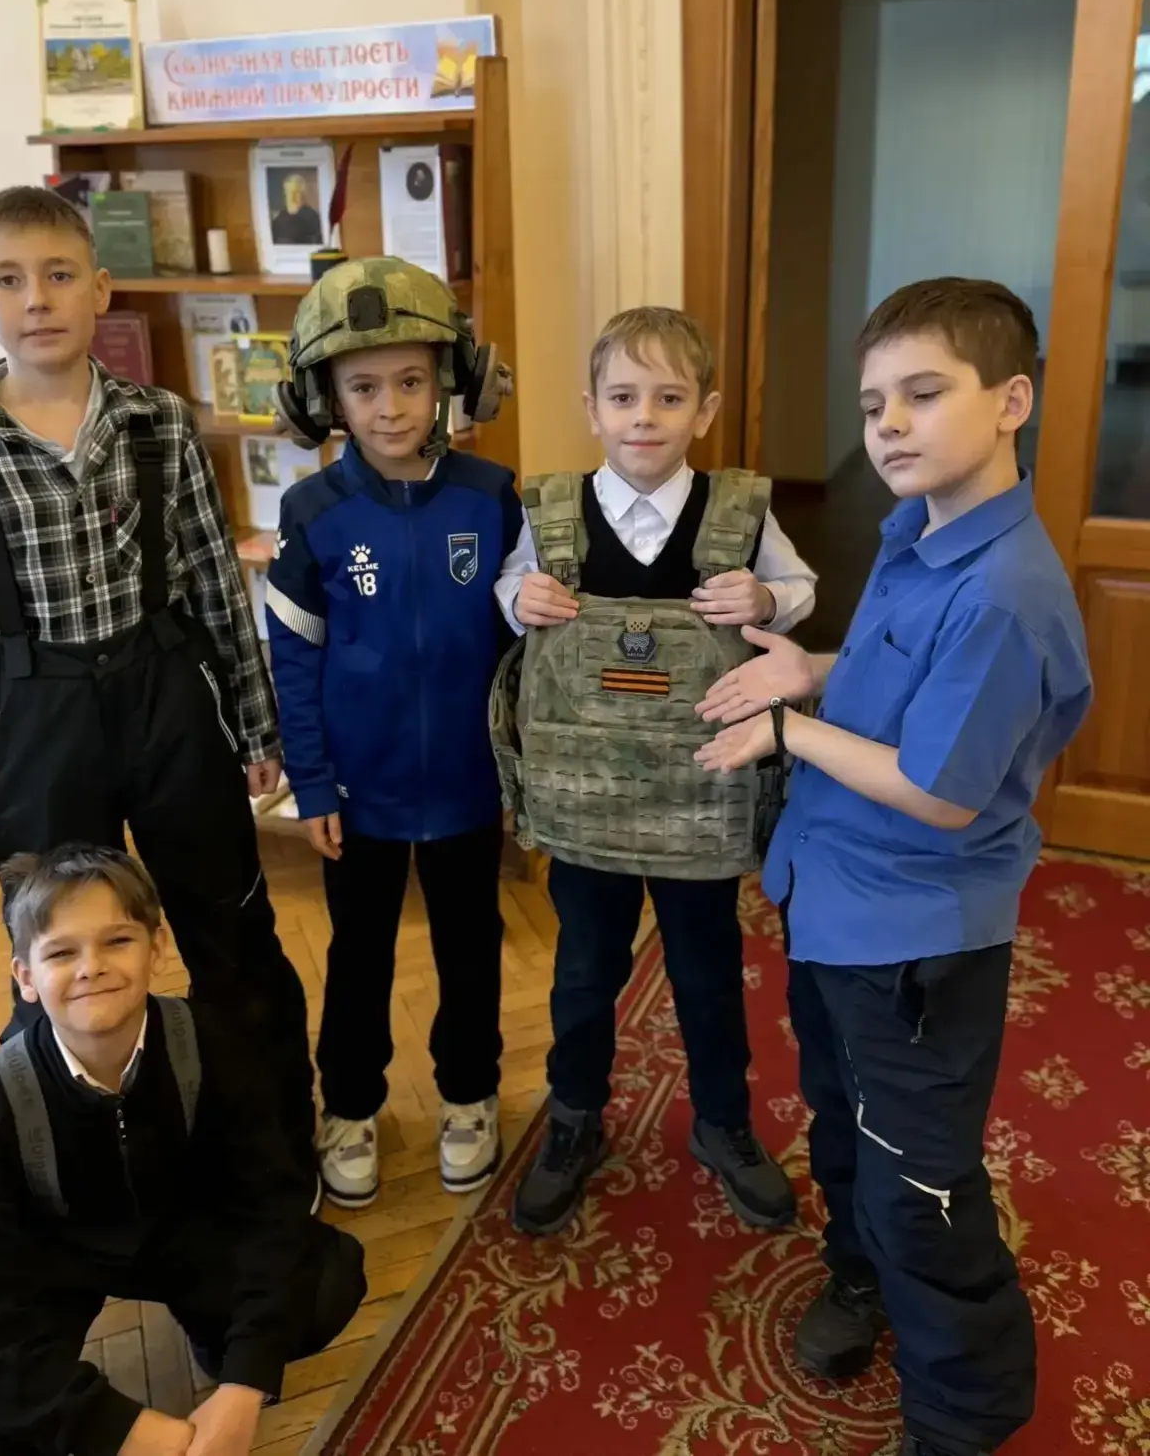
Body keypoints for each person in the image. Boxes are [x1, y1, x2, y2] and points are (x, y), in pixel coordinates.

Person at [695, 278, 1092, 1456]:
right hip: (834, 902)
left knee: (919, 1186)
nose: (889, 425)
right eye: (873, 404)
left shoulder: (1004, 591)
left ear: (1009, 401)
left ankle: (962, 1417)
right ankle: (856, 1275)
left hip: (915, 939)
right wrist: (811, 672)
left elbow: (939, 788)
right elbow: (900, 682)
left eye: (923, 394)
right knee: (839, 1124)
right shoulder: (915, 532)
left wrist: (785, 729)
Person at [0, 185, 316, 1169]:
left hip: (167, 695)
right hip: (35, 719)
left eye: (57, 275)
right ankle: (90, 1165)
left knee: (230, 931)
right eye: (9, 280)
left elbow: (214, 584)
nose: (36, 298)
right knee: (64, 950)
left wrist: (256, 726)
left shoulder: (158, 423)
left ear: (99, 290)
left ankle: (271, 1145)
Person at [493, 305, 818, 1237]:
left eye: (669, 398)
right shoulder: (551, 508)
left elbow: (800, 589)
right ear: (591, 407)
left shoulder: (739, 511)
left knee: (707, 973)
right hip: (585, 805)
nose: (644, 416)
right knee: (583, 972)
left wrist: (766, 595)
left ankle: (722, 1122)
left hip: (701, 798)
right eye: (624, 397)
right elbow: (510, 590)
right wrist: (522, 595)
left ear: (704, 411)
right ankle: (574, 1116)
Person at [0, 844, 366, 1456]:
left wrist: (246, 1379)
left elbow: (272, 1206)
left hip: (180, 1231)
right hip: (53, 1257)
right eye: (61, 953)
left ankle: (216, 1333)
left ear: (157, 947)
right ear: (25, 978)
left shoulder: (211, 1044)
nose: (91, 967)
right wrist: (131, 1432)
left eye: (117, 941)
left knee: (324, 1285)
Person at [266, 257, 518, 1209]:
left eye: (411, 380)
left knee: (471, 948)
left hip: (468, 784)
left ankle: (470, 1093)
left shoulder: (493, 496)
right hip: (358, 793)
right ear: (323, 397)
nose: (390, 406)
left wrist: (521, 773)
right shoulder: (312, 513)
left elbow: (521, 651)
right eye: (363, 386)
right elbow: (295, 657)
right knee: (360, 955)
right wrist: (312, 781)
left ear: (452, 377)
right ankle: (350, 1103)